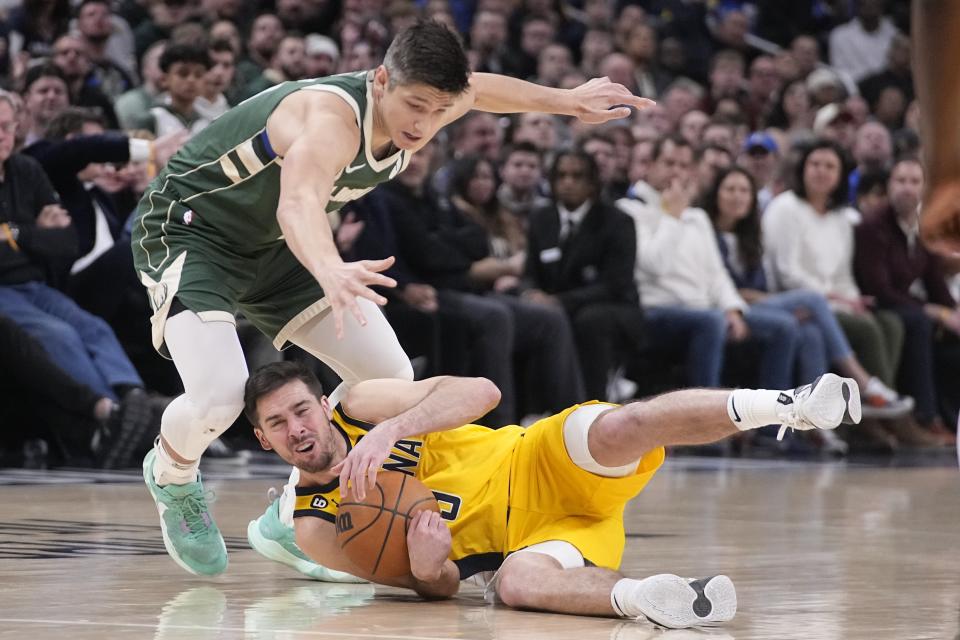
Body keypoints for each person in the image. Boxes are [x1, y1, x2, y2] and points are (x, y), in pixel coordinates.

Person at [133, 19, 653, 578]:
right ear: (380, 80)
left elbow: (481, 89)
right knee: (219, 397)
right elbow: (298, 203)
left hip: (279, 249)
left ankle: (295, 504)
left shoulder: (433, 99)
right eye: (415, 106)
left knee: (389, 379)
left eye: (438, 111)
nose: (424, 123)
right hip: (194, 232)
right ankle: (173, 475)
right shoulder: (329, 117)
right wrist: (330, 267)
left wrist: (569, 102)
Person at [247, 359, 862, 628]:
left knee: (624, 425)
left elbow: (483, 392)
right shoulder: (313, 526)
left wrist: (394, 429)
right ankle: (662, 600)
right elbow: (433, 589)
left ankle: (789, 405)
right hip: (526, 545)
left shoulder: (359, 405)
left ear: (321, 406)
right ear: (262, 437)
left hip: (536, 460)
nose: (297, 429)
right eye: (278, 424)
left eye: (302, 410)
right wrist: (430, 566)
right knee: (515, 588)